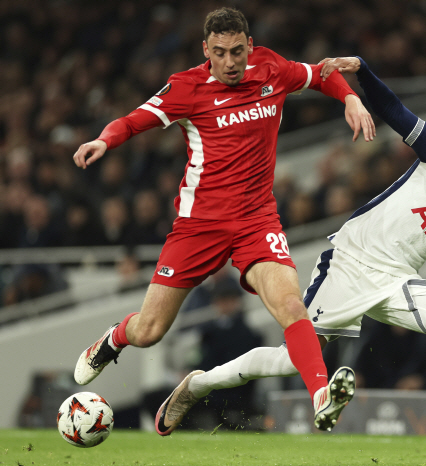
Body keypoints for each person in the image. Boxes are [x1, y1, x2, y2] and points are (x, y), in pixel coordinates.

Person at [161, 55, 426, 454]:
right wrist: (363, 71)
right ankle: (199, 384)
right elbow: (394, 111)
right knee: (287, 360)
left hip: (396, 280)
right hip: (350, 263)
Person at [70, 7, 376, 433]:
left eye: (236, 51)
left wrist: (351, 97)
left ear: (250, 46)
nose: (230, 62)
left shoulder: (271, 67)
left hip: (257, 219)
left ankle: (321, 395)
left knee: (291, 305)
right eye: (219, 53)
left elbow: (321, 73)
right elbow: (135, 119)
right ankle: (112, 340)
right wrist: (105, 140)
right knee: (150, 330)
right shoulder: (187, 87)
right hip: (199, 225)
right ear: (206, 51)